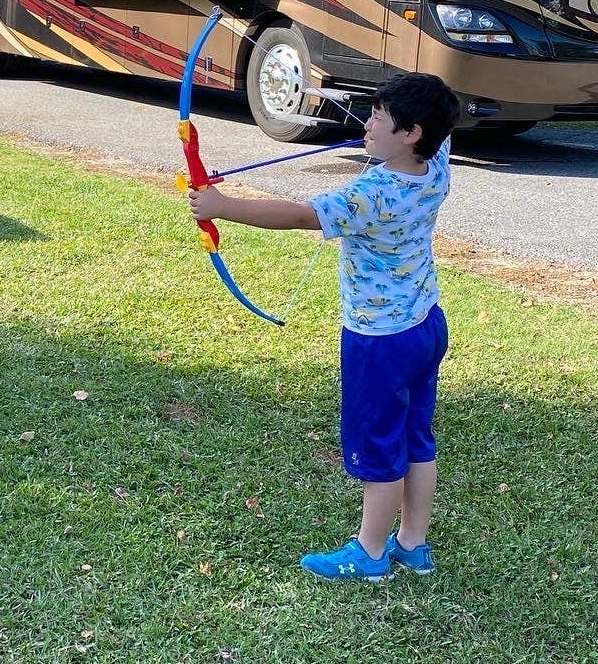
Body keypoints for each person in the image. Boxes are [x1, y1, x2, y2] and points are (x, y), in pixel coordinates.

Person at [188, 72, 459, 582]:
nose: (369, 123)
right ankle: (413, 544)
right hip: (426, 324)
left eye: (381, 118)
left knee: (380, 448)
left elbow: (299, 216)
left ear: (412, 134)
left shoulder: (373, 193)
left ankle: (371, 554)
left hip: (378, 340)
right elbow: (440, 127)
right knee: (416, 437)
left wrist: (222, 207)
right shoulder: (436, 166)